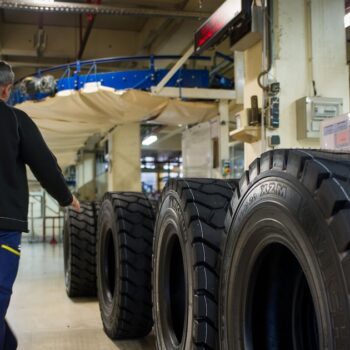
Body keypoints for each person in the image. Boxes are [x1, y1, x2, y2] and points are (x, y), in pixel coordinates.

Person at [0, 61, 80, 349]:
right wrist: (66, 197)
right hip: (4, 227)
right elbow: (44, 164)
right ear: (7, 90)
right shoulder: (15, 120)